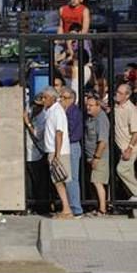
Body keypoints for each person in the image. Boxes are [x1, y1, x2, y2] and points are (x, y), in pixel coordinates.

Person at [41, 86, 73, 219]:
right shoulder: (50, 111)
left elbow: (59, 133)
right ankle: (66, 208)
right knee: (58, 181)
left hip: (58, 151)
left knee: (59, 181)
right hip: (53, 150)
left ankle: (67, 209)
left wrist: (57, 155)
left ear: (53, 98)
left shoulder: (57, 112)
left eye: (45, 97)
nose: (43, 100)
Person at [58, 87, 84, 218]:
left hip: (72, 146)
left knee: (72, 178)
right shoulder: (64, 111)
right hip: (67, 146)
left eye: (65, 98)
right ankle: (69, 206)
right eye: (61, 97)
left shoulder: (73, 112)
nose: (62, 100)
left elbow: (68, 130)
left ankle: (76, 208)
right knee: (67, 177)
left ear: (72, 99)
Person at [84, 94, 110, 216]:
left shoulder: (101, 119)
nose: (88, 107)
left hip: (99, 157)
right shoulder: (90, 118)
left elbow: (103, 141)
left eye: (91, 105)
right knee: (93, 182)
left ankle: (102, 209)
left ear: (98, 106)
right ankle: (97, 206)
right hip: (91, 156)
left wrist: (96, 158)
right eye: (87, 105)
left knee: (97, 182)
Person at [23, 93, 49, 213]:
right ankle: (30, 204)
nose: (36, 107)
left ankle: (41, 206)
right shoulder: (31, 112)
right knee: (29, 181)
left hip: (38, 153)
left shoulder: (43, 117)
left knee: (39, 182)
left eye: (39, 106)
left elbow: (38, 135)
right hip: (28, 152)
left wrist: (27, 123)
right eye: (34, 105)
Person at [113, 84, 137, 201]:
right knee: (129, 174)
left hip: (129, 147)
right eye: (117, 92)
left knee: (121, 170)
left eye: (121, 93)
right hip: (120, 147)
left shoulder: (131, 109)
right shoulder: (116, 106)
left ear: (127, 96)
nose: (117, 94)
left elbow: (135, 132)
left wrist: (129, 148)